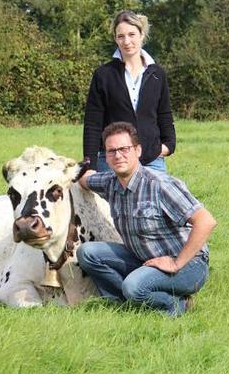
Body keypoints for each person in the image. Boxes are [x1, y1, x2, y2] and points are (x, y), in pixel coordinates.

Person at [78, 122, 216, 317]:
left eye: (124, 149)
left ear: (138, 150)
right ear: (106, 157)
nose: (118, 155)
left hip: (188, 265)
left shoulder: (160, 185)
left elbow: (206, 221)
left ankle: (177, 305)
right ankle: (125, 303)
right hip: (145, 259)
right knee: (87, 253)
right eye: (111, 151)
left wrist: (176, 263)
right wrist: (65, 170)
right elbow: (85, 178)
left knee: (134, 286)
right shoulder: (109, 183)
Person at [83, 10, 176, 173]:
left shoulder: (157, 74)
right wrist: (89, 165)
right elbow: (93, 123)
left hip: (152, 161)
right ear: (115, 39)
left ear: (141, 35)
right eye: (121, 36)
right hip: (113, 161)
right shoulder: (103, 75)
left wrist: (168, 146)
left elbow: (164, 115)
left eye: (132, 34)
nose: (127, 41)